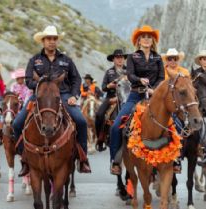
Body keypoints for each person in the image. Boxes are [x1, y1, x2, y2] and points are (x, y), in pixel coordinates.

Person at [12, 25, 91, 176]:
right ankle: (25, 159)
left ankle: (83, 158)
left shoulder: (66, 60)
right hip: (40, 96)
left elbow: (76, 79)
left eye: (54, 39)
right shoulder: (35, 60)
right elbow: (28, 80)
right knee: (17, 123)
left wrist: (74, 95)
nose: (51, 42)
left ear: (57, 41)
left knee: (81, 121)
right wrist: (43, 86)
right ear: (43, 41)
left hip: (64, 95)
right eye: (48, 39)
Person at [110, 25, 164, 175]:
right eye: (143, 37)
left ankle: (173, 160)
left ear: (152, 40)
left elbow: (161, 78)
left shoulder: (158, 58)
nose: (146, 39)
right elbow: (130, 75)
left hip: (153, 96)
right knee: (116, 126)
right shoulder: (133, 57)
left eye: (149, 37)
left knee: (172, 125)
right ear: (139, 41)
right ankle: (115, 161)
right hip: (135, 95)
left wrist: (155, 89)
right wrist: (140, 79)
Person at [95, 49, 127, 151]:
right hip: (111, 98)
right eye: (117, 57)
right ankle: (100, 139)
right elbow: (103, 87)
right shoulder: (109, 72)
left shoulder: (129, 71)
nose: (120, 59)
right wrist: (109, 85)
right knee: (99, 114)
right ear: (113, 59)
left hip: (126, 97)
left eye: (121, 57)